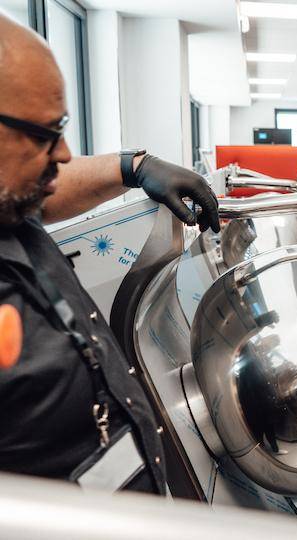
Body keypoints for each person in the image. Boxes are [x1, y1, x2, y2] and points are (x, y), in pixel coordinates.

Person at [0, 13, 219, 494]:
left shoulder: (10, 207)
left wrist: (133, 167)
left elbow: (42, 189)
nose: (63, 153)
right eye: (44, 134)